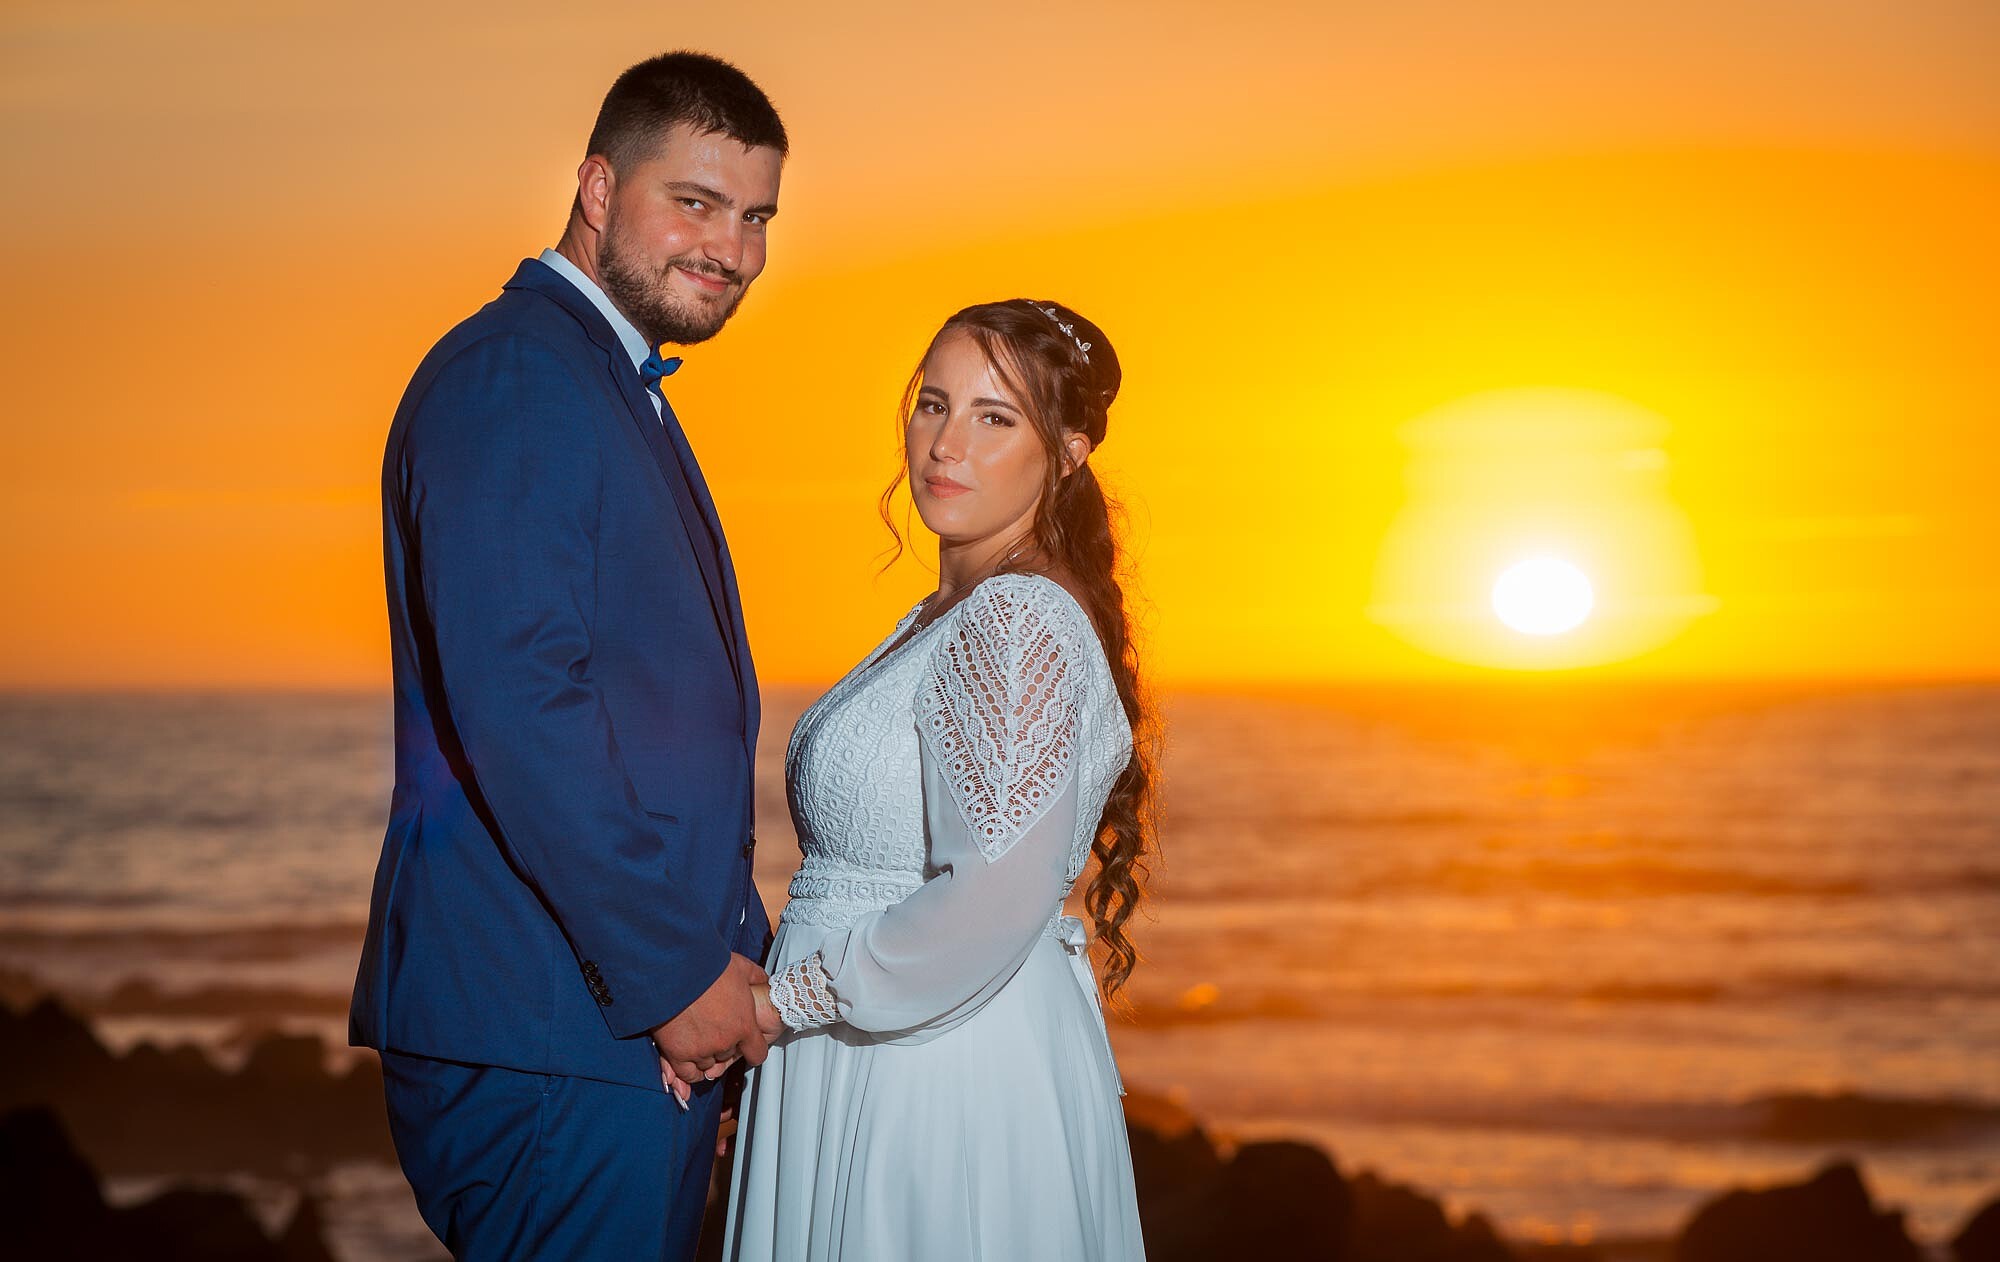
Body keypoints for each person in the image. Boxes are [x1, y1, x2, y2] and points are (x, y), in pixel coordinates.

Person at [348, 51, 787, 1260]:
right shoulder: (518, 375)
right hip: (556, 1026)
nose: (731, 248)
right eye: (694, 203)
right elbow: (524, 703)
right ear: (597, 188)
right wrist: (671, 974)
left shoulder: (597, 379)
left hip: (600, 1028)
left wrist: (725, 958)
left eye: (755, 217)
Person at [719, 298, 1156, 1260]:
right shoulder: (947, 611)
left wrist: (773, 1007)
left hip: (929, 1070)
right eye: (933, 404)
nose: (946, 444)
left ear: (1068, 454)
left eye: (995, 418)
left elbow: (990, 901)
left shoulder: (1016, 621)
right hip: (868, 1042)